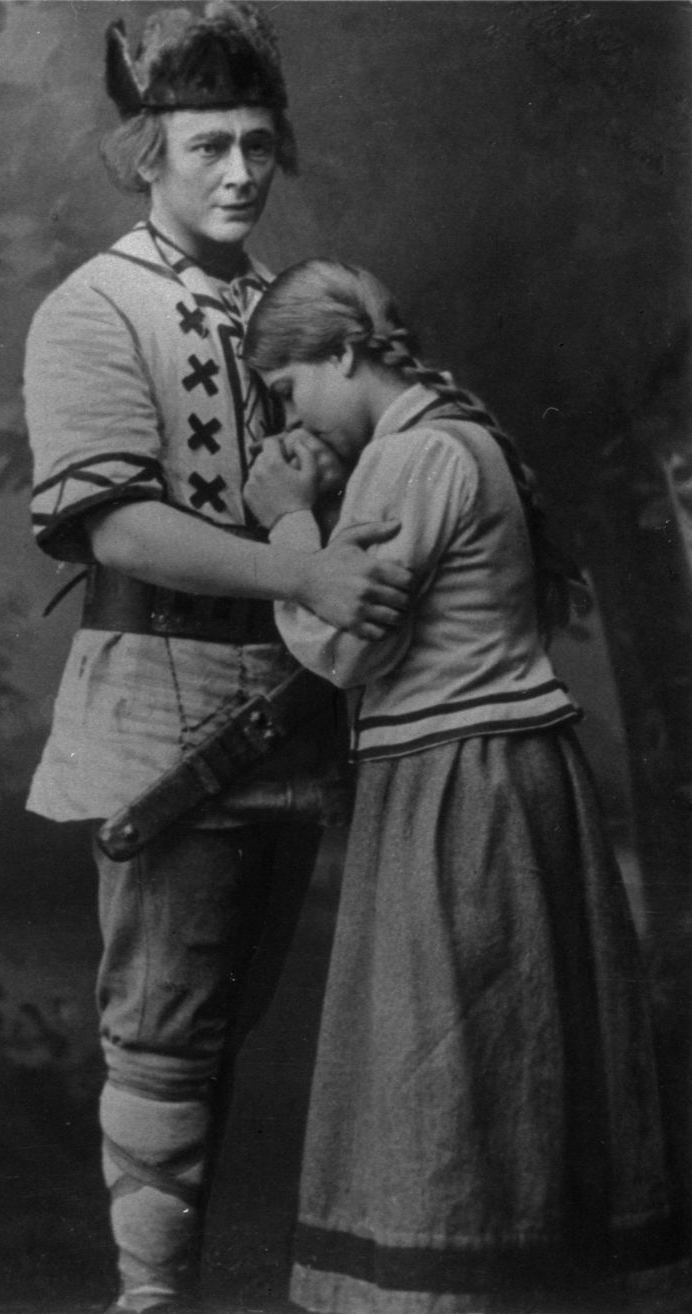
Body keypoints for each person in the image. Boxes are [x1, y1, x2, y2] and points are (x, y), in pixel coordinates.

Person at [23, 10, 411, 1314]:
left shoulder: (295, 308)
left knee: (239, 1025)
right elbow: (117, 526)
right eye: (207, 146)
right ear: (148, 152)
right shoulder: (94, 307)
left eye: (256, 142)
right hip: (162, 712)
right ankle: (150, 1302)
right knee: (162, 1031)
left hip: (300, 712)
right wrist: (298, 571)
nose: (242, 172)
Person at [242, 258, 682, 1314]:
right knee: (500, 1050)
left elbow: (344, 645)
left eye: (290, 389)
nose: (291, 419)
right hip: (493, 771)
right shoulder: (451, 437)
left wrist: (288, 522)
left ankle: (456, 1291)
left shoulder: (414, 458)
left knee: (456, 1056)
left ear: (342, 352)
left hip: (461, 784)